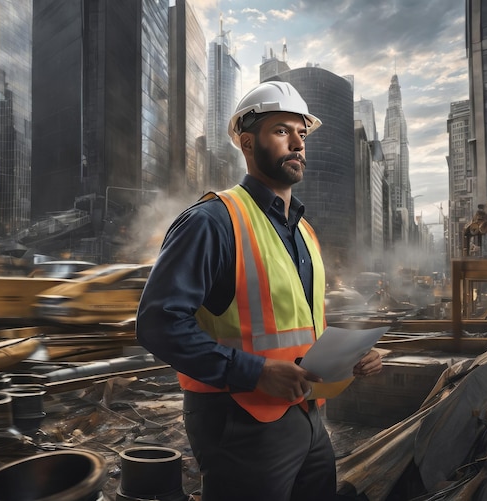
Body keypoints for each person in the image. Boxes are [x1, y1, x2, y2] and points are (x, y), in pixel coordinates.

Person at [136, 81, 382, 501]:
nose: (298, 143)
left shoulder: (304, 232)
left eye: (302, 133)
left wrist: (346, 360)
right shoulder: (212, 220)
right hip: (239, 421)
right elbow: (158, 324)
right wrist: (256, 372)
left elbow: (297, 324)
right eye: (283, 131)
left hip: (308, 414)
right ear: (247, 143)